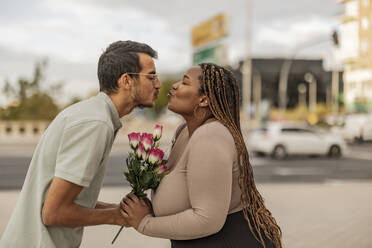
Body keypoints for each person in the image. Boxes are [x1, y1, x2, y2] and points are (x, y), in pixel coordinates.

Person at [0, 40, 160, 248]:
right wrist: (115, 217)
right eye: (151, 76)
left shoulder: (91, 114)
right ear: (126, 81)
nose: (157, 84)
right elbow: (53, 213)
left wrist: (119, 209)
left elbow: (69, 201)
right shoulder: (95, 123)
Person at [120, 63, 282, 248]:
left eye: (185, 83)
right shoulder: (183, 132)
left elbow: (207, 220)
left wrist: (145, 223)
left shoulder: (210, 136)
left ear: (204, 100)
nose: (174, 85)